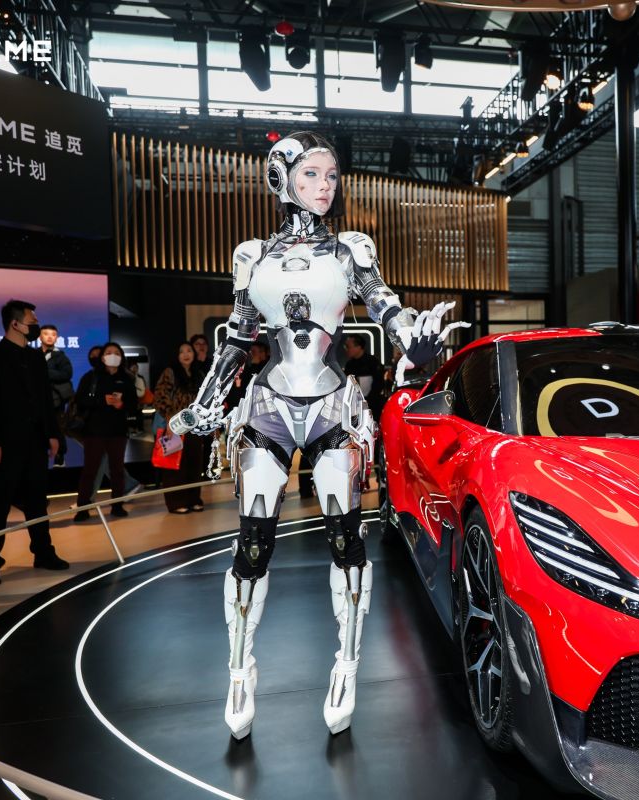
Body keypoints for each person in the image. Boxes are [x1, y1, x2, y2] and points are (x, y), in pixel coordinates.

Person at [170, 131, 467, 739]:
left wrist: (415, 340)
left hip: (333, 406)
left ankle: (347, 664)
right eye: (310, 174)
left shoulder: (351, 248)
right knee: (253, 542)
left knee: (344, 538)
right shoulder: (251, 254)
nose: (324, 185)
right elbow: (238, 335)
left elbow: (385, 305)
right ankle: (239, 669)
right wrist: (203, 405)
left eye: (331, 175)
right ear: (280, 178)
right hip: (268, 405)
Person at [0, 300, 69, 587]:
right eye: (32, 321)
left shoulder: (36, 358)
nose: (36, 325)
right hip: (2, 446)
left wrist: (53, 435)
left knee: (37, 503)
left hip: (34, 444)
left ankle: (43, 552)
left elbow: (45, 401)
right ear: (15, 323)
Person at [73, 342, 137, 521]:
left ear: (121, 357)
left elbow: (133, 404)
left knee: (117, 470)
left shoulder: (126, 378)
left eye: (117, 353)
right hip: (94, 431)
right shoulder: (91, 377)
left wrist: (121, 404)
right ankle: (83, 507)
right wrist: (102, 401)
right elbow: (80, 400)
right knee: (90, 470)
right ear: (102, 357)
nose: (113, 355)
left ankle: (117, 505)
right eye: (109, 352)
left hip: (118, 431)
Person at [152, 343, 207, 514]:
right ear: (176, 355)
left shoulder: (199, 374)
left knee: (194, 464)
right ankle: (176, 502)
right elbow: (160, 397)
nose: (186, 354)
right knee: (174, 466)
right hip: (175, 425)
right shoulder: (170, 372)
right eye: (181, 351)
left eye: (189, 351)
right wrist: (170, 419)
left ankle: (193, 499)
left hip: (195, 426)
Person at [40, 325, 74, 467]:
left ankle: (60, 456)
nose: (49, 337)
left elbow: (67, 374)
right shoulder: (33, 354)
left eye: (53, 334)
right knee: (38, 429)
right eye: (46, 333)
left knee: (57, 428)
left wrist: (45, 372)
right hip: (36, 399)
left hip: (55, 400)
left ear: (57, 338)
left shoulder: (61, 356)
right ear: (40, 336)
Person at [342, 334, 385, 419]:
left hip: (373, 405)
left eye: (348, 347)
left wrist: (368, 401)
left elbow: (378, 384)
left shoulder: (373, 362)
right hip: (355, 406)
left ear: (358, 347)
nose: (346, 350)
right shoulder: (349, 365)